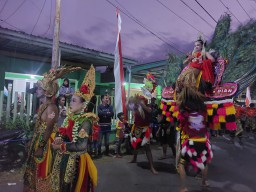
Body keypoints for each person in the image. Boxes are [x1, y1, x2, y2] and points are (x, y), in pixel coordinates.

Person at [23, 66, 80, 191]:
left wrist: (41, 146)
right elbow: (39, 127)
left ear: (47, 90)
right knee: (34, 170)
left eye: (39, 88)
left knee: (43, 170)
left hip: (46, 142)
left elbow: (48, 128)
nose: (37, 91)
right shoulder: (44, 105)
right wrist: (32, 141)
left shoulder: (52, 108)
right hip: (39, 140)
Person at [51, 65, 97, 192]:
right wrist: (59, 139)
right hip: (65, 157)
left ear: (83, 105)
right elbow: (63, 132)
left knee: (72, 186)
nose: (70, 103)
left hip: (77, 160)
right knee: (61, 184)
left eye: (74, 101)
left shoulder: (85, 121)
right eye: (70, 100)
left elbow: (81, 146)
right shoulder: (69, 117)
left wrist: (61, 146)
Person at [177, 87, 213, 192]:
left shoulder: (184, 112)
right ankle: (204, 181)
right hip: (204, 141)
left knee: (181, 164)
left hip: (192, 142)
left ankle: (183, 188)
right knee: (204, 162)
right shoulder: (202, 111)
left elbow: (182, 125)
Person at [127, 95, 158, 175]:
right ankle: (134, 158)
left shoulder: (148, 107)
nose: (140, 102)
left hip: (145, 130)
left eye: (142, 100)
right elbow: (128, 106)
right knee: (135, 145)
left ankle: (152, 167)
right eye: (140, 101)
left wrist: (142, 105)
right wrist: (131, 100)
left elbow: (149, 111)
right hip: (137, 129)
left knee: (147, 148)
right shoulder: (136, 108)